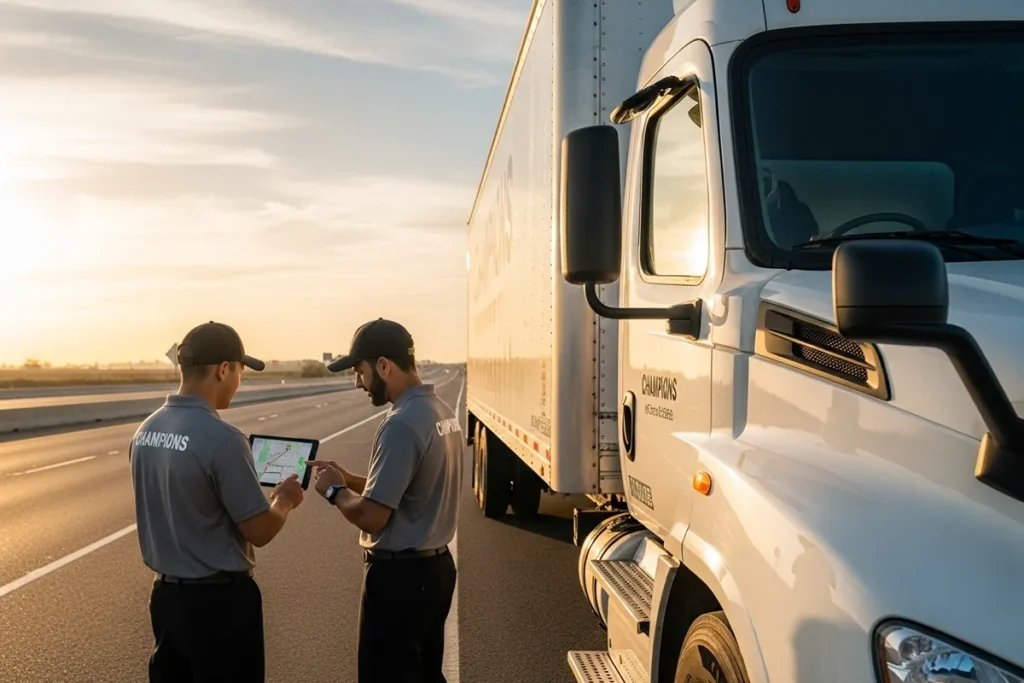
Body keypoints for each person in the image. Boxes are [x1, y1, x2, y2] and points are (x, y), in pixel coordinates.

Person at [129, 320, 305, 683]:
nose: (240, 382)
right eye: (241, 372)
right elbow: (259, 530)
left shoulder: (145, 432)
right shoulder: (224, 439)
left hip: (165, 600)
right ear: (224, 370)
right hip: (220, 607)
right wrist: (284, 500)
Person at [309, 318, 462, 683]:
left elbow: (374, 516)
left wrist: (334, 491)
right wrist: (349, 479)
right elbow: (405, 493)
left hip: (400, 581)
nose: (358, 382)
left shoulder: (401, 423)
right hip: (434, 571)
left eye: (359, 371)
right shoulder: (440, 411)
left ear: (383, 365)